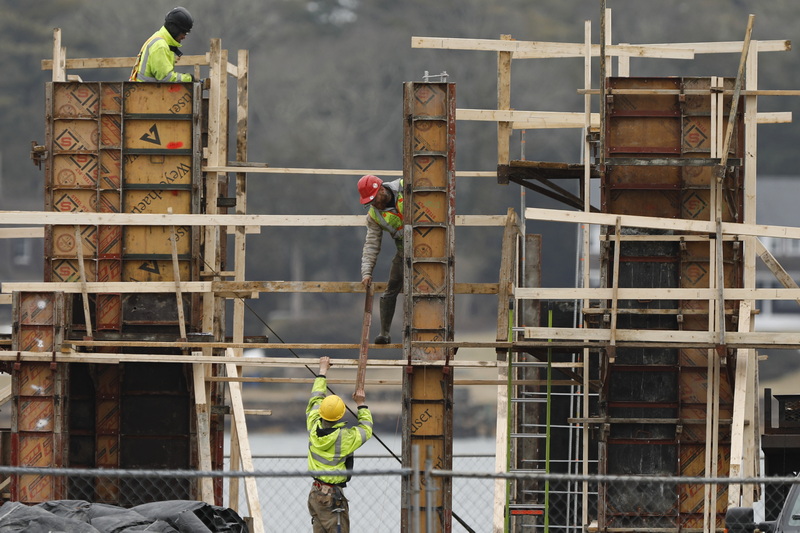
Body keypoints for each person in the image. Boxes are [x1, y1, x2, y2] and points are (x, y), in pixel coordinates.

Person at [307, 356, 373, 533]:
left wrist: (322, 371)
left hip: (315, 493)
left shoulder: (313, 425)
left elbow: (316, 398)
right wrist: (361, 404)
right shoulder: (344, 438)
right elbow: (366, 430)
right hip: (331, 497)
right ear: (341, 416)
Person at [358, 174, 404, 344]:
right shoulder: (374, 216)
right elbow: (371, 245)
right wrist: (366, 273)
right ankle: (385, 334)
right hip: (404, 251)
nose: (374, 204)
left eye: (374, 199)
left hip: (430, 246)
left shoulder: (404, 186)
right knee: (390, 291)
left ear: (382, 189)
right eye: (370, 202)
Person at [130, 7, 196, 83]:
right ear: (174, 28)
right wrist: (189, 78)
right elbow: (165, 78)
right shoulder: (160, 46)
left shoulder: (160, 40)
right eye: (183, 32)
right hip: (147, 92)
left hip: (145, 91)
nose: (184, 36)